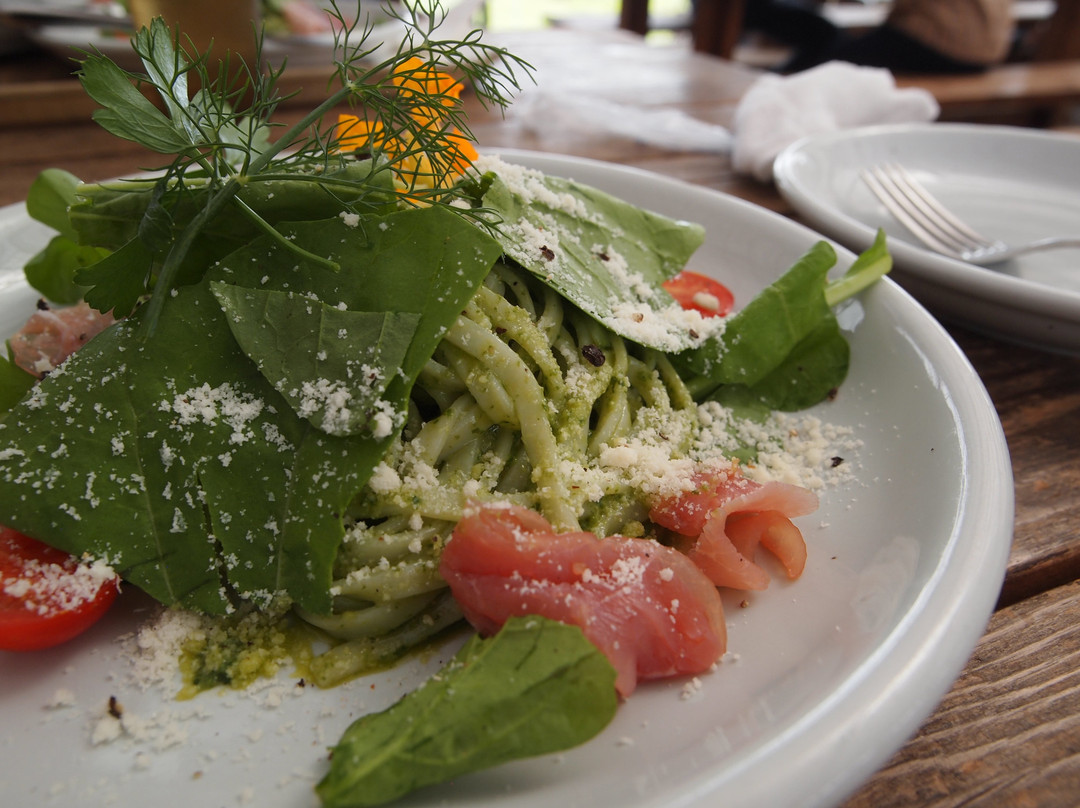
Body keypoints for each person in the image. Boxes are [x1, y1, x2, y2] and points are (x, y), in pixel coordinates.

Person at [743, 0, 1016, 75]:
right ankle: (779, 79)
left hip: (941, 41)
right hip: (988, 49)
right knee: (826, 42)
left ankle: (778, 84)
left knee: (829, 61)